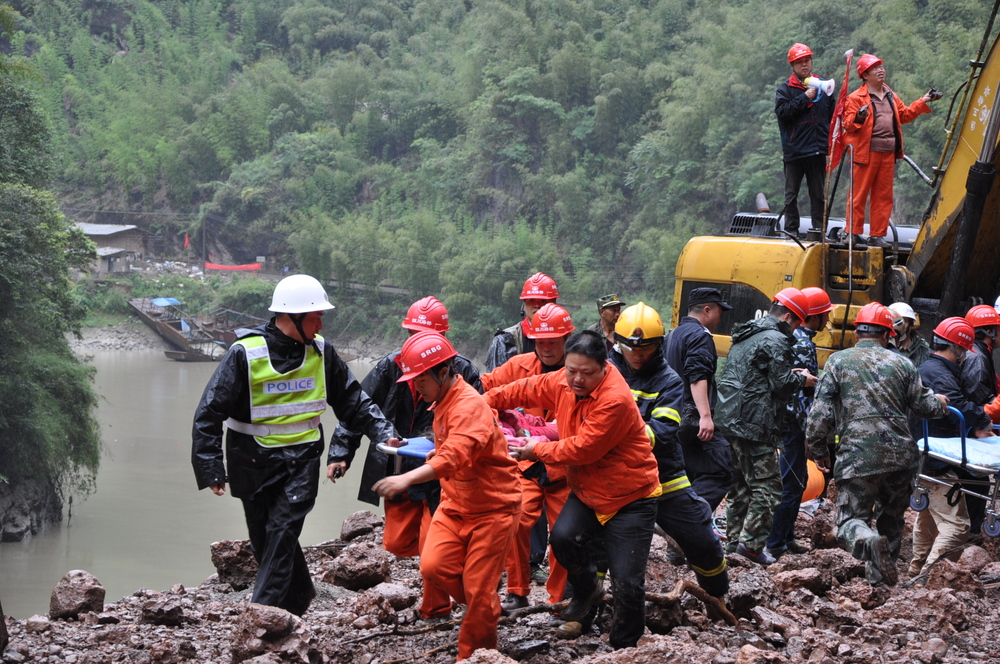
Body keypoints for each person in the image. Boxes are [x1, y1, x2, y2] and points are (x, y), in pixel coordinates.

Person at [191, 274, 396, 616]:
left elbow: (353, 400)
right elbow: (209, 412)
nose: (321, 324)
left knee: (283, 530)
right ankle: (299, 596)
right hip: (250, 460)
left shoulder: (321, 352)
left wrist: (383, 431)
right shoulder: (244, 354)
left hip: (302, 459)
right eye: (316, 317)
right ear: (293, 316)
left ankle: (261, 615)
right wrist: (211, 467)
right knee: (265, 538)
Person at [484, 331, 661, 650]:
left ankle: (624, 647)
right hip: (588, 489)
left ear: (604, 367)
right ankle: (588, 592)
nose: (577, 379)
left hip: (630, 497)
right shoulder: (564, 381)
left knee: (627, 582)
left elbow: (583, 449)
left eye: (587, 373)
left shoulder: (615, 399)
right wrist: (484, 401)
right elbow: (525, 388)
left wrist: (535, 449)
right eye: (571, 370)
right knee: (563, 540)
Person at [327, 296, 481, 620]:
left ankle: (438, 606)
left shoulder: (462, 370)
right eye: (413, 333)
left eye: (426, 335)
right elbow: (359, 406)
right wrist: (341, 452)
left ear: (443, 337)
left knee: (430, 541)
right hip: (399, 466)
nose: (417, 341)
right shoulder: (391, 365)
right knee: (396, 543)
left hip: (440, 472)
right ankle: (454, 563)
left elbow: (477, 421)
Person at [373, 332, 521, 661]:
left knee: (479, 589)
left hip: (494, 508)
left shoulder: (470, 406)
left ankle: (474, 655)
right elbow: (449, 448)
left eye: (421, 380)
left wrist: (405, 478)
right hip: (455, 503)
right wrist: (430, 452)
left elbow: (455, 455)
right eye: (413, 380)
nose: (416, 387)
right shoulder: (442, 401)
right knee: (433, 567)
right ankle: (484, 606)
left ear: (443, 372)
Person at [806, 302, 947, 586]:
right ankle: (881, 583)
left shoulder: (838, 362)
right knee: (891, 521)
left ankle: (868, 542)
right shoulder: (904, 363)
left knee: (849, 522)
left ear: (857, 332)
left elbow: (819, 415)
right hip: (900, 457)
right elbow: (925, 407)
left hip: (858, 457)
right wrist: (940, 403)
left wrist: (818, 450)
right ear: (887, 335)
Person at [611, 303, 729, 599]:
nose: (638, 356)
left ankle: (718, 596)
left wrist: (613, 435)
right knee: (594, 544)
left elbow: (662, 432)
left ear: (659, 345)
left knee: (701, 538)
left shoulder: (668, 380)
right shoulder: (604, 373)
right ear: (617, 343)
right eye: (630, 348)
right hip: (614, 479)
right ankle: (583, 608)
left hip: (663, 476)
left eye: (646, 349)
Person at [481, 303, 573, 612]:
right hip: (527, 463)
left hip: (565, 465)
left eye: (553, 342)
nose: (546, 348)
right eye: (540, 341)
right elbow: (483, 388)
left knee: (563, 536)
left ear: (567, 339)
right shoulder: (518, 366)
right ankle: (517, 591)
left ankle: (559, 600)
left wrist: (536, 430)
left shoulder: (579, 372)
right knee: (516, 522)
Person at [716, 287, 817, 565]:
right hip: (754, 422)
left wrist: (788, 373)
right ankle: (750, 546)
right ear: (787, 316)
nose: (795, 329)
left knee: (739, 486)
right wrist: (803, 380)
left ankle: (733, 545)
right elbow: (781, 384)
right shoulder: (777, 339)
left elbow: (755, 373)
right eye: (796, 323)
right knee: (769, 487)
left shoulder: (749, 332)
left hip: (729, 416)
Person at [908, 317, 990, 578]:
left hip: (930, 455)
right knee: (957, 527)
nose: (965, 356)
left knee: (929, 521)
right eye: (964, 350)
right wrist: (982, 419)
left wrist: (972, 429)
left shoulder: (934, 369)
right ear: (957, 348)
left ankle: (916, 573)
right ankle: (927, 579)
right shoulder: (939, 374)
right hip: (934, 461)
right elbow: (956, 406)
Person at [765, 286, 833, 558]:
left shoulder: (791, 338)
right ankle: (776, 543)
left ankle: (787, 537)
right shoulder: (803, 344)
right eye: (825, 314)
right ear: (813, 317)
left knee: (798, 480)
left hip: (784, 419)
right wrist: (809, 432)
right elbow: (804, 394)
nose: (828, 319)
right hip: (792, 423)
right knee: (792, 483)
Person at [844, 54, 938, 248]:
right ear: (865, 75)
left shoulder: (890, 95)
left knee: (883, 196)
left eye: (881, 66)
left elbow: (904, 115)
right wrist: (859, 117)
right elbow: (848, 124)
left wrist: (924, 100)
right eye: (875, 68)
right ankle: (852, 233)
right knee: (858, 194)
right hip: (865, 153)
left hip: (887, 153)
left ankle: (877, 235)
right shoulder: (855, 98)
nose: (880, 70)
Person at [664, 287, 734, 513]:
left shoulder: (673, 334)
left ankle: (677, 532)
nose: (720, 318)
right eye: (719, 311)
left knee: (688, 473)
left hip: (671, 416)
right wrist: (705, 415)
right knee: (721, 468)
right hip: (692, 419)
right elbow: (697, 376)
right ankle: (688, 520)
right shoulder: (700, 336)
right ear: (707, 310)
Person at [776, 43, 835, 238]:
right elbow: (783, 113)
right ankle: (791, 230)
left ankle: (819, 230)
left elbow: (833, 114)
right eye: (799, 62)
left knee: (818, 194)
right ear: (792, 65)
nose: (804, 64)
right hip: (794, 151)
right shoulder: (785, 89)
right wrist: (804, 97)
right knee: (791, 195)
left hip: (817, 149)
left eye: (807, 60)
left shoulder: (823, 85)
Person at [959, 304, 1000, 533]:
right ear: (989, 331)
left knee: (978, 482)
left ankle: (971, 529)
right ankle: (971, 531)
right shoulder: (977, 357)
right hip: (975, 429)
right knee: (977, 481)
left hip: (975, 426)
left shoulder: (981, 354)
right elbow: (978, 400)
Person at [485, 272, 559, 370]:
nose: (537, 305)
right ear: (523, 305)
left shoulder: (565, 338)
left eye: (543, 301)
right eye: (532, 300)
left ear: (554, 304)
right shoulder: (505, 341)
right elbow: (496, 377)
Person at [887, 302, 931, 367]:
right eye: (894, 321)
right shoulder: (881, 345)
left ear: (911, 324)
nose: (898, 326)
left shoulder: (922, 349)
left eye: (903, 321)